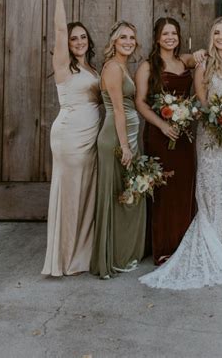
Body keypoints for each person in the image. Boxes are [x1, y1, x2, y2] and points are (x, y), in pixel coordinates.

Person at [140, 17, 222, 289]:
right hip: (210, 135)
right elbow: (203, 102)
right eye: (216, 32)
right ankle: (212, 241)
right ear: (211, 36)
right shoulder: (202, 65)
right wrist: (220, 128)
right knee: (211, 187)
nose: (221, 36)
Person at [42, 0, 101, 277]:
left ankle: (81, 254)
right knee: (70, 194)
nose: (78, 41)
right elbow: (58, 29)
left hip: (90, 139)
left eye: (82, 38)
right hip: (69, 136)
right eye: (73, 38)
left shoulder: (91, 67)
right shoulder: (64, 65)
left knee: (85, 194)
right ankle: (64, 259)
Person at [135, 17, 196, 265]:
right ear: (157, 38)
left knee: (183, 187)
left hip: (183, 136)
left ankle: (183, 243)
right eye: (165, 34)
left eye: (174, 33)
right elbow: (140, 101)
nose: (170, 37)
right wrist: (162, 125)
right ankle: (162, 246)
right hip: (159, 135)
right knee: (164, 189)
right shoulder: (148, 67)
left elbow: (204, 56)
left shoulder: (184, 61)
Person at [90, 21, 146, 279]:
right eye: (123, 37)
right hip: (115, 139)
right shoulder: (113, 67)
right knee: (116, 196)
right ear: (113, 41)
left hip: (127, 137)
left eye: (132, 37)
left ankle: (124, 251)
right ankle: (111, 256)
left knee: (127, 194)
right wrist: (125, 146)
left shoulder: (123, 66)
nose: (128, 41)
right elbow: (119, 109)